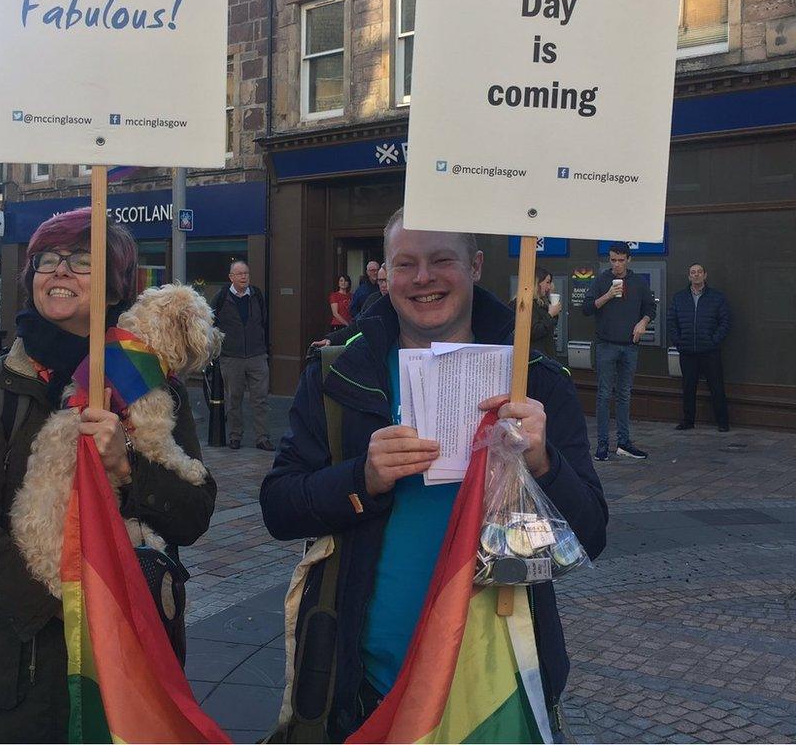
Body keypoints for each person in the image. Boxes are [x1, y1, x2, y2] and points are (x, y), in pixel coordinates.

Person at [260, 208, 607, 741]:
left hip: (499, 682)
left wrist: (543, 464)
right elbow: (279, 506)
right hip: (366, 679)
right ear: (384, 275)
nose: (423, 278)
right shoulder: (339, 374)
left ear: (476, 266)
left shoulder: (536, 382)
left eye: (442, 260)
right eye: (405, 264)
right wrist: (363, 478)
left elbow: (591, 534)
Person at [0, 208, 216, 743]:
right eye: (46, 261)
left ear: (115, 286)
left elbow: (194, 517)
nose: (59, 272)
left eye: (82, 262)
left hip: (129, 661)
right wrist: (74, 613)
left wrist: (126, 465)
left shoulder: (150, 379)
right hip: (9, 670)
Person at [582, 243, 654, 462]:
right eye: (613, 260)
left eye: (621, 260)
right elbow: (586, 308)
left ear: (629, 260)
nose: (617, 264)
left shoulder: (639, 282)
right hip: (606, 345)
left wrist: (643, 322)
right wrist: (608, 295)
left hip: (630, 345)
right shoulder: (602, 280)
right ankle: (602, 444)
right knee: (604, 395)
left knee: (624, 394)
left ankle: (624, 443)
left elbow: (651, 308)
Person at [212, 260, 273, 451]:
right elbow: (211, 323)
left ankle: (262, 438)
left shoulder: (256, 295)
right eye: (239, 274)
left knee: (261, 399)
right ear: (231, 277)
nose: (244, 277)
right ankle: (235, 436)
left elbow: (264, 321)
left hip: (257, 355)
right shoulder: (222, 297)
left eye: (246, 273)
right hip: (231, 357)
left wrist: (264, 349)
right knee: (233, 399)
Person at [668, 263, 731, 432]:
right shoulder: (679, 298)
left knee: (716, 387)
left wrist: (713, 340)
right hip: (687, 351)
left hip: (709, 351)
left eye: (699, 272)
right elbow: (671, 322)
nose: (696, 275)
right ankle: (688, 421)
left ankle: (723, 422)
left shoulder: (717, 298)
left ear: (705, 275)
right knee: (688, 388)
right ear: (689, 276)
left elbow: (725, 323)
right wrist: (679, 342)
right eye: (692, 273)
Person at [526, 266, 562, 359]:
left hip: (546, 356)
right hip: (534, 359)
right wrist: (550, 315)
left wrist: (553, 312)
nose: (549, 286)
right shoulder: (527, 304)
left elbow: (551, 325)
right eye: (547, 282)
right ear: (537, 282)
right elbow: (534, 332)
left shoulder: (541, 302)